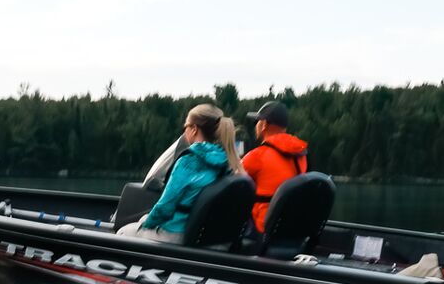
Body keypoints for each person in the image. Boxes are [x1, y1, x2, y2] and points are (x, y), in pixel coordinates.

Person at [118, 103, 240, 243]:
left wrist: (144, 226)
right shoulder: (227, 161)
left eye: (186, 126)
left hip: (176, 233)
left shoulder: (189, 161)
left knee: (123, 232)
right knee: (143, 219)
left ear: (194, 129)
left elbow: (165, 207)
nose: (184, 131)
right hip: (200, 233)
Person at [240, 100, 310, 233]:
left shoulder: (257, 156)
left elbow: (230, 183)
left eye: (257, 122)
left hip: (263, 229)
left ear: (264, 124)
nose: (255, 126)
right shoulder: (301, 155)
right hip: (290, 226)